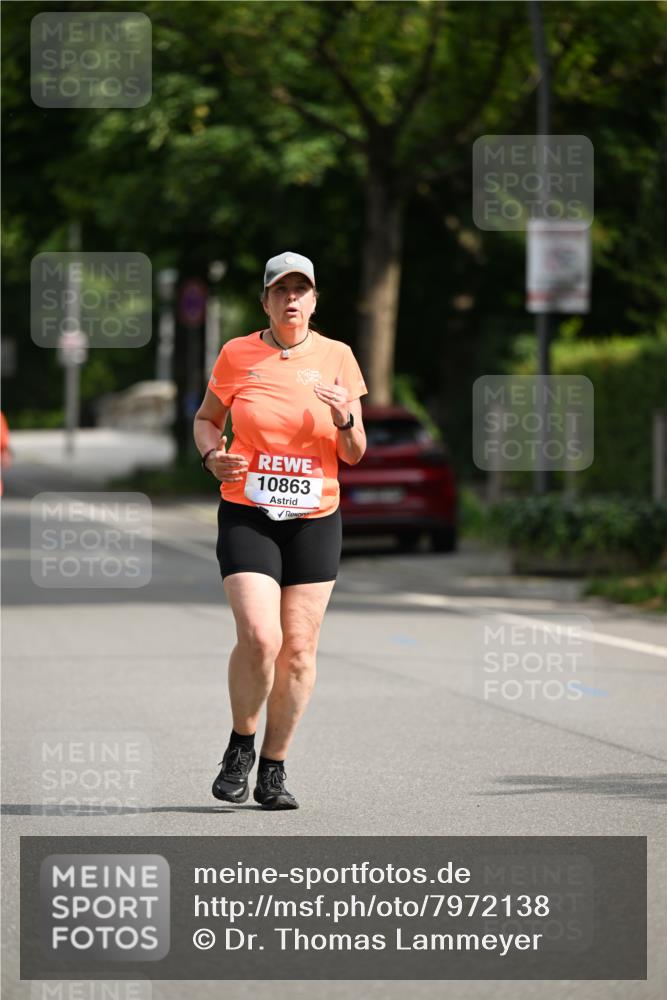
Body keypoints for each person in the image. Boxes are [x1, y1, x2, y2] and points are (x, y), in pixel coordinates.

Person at [193, 252, 368, 810]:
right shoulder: (237, 354)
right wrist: (211, 457)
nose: (292, 299)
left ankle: (273, 767)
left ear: (314, 301)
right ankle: (240, 745)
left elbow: (355, 452)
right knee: (261, 636)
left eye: (301, 290)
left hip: (315, 518)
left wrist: (344, 418)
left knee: (297, 651)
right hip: (248, 511)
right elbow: (206, 419)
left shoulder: (338, 357)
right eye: (281, 290)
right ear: (265, 301)